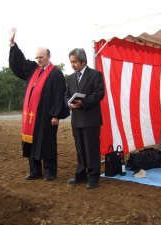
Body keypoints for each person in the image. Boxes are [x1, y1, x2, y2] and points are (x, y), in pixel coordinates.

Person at [8, 28, 69, 181]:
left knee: (47, 143)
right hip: (31, 116)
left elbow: (59, 95)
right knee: (32, 143)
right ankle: (35, 171)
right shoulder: (33, 70)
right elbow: (20, 63)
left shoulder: (56, 74)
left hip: (47, 117)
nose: (39, 60)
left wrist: (56, 114)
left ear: (49, 56)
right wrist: (12, 45)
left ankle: (50, 172)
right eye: (37, 58)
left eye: (41, 57)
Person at [65, 48, 105, 189]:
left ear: (84, 62)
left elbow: (100, 93)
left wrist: (84, 102)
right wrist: (69, 102)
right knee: (80, 149)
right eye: (71, 62)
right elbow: (67, 94)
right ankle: (80, 175)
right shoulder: (70, 77)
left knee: (91, 149)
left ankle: (93, 177)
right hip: (76, 118)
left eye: (75, 62)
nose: (72, 65)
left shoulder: (95, 75)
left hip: (91, 118)